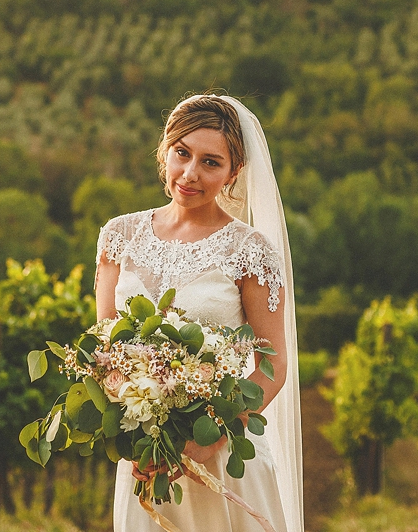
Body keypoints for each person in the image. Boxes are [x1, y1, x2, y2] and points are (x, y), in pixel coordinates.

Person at [95, 94, 303, 532]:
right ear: (165, 150)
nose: (190, 174)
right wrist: (136, 432)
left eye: (211, 162)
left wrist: (209, 439)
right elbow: (107, 349)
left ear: (234, 172)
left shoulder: (250, 251)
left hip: (222, 456)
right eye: (182, 154)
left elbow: (274, 363)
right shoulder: (118, 236)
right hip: (145, 459)